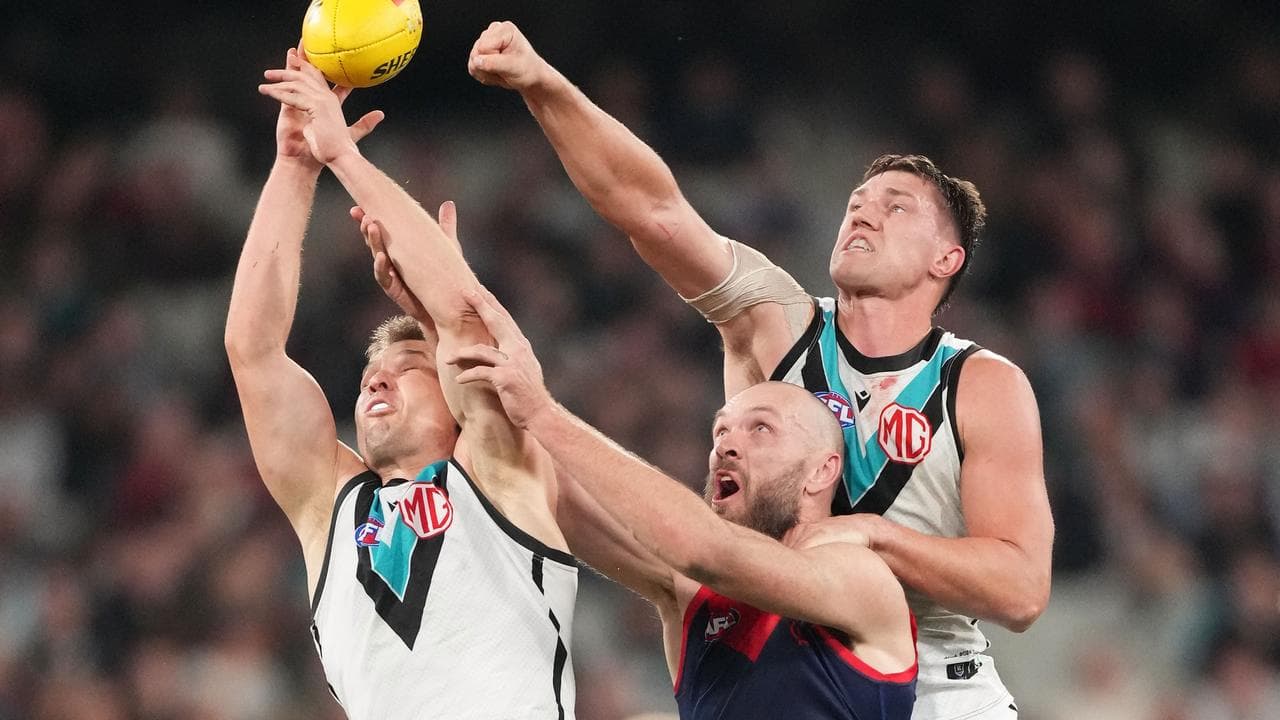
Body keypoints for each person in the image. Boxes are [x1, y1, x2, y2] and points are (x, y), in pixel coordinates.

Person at [467, 21, 1053, 719]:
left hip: (939, 689)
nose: (863, 216)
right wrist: (545, 85)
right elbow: (652, 211)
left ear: (946, 260)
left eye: (895, 209)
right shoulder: (778, 321)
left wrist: (874, 535)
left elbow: (1021, 590)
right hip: (784, 670)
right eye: (856, 206)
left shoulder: (981, 384)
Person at [229, 47, 577, 720]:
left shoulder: (501, 474)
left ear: (455, 398)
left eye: (409, 368)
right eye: (370, 376)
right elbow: (254, 350)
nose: (378, 382)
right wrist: (295, 165)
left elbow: (468, 321)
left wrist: (347, 160)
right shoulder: (331, 510)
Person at [444, 285, 919, 720]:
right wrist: (447, 320)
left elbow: (706, 550)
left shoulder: (861, 577)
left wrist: (544, 413)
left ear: (822, 471)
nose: (727, 446)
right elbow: (548, 485)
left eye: (761, 429)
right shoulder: (691, 594)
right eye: (720, 431)